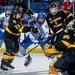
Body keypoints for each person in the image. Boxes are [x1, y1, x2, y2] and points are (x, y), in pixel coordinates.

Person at [0, 7, 38, 71]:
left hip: (16, 36)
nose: (20, 16)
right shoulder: (13, 22)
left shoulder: (16, 15)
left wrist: (28, 11)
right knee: (9, 50)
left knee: (15, 50)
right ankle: (3, 64)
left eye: (20, 15)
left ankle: (9, 63)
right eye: (18, 15)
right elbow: (23, 29)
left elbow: (20, 8)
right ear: (14, 15)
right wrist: (32, 29)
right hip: (9, 36)